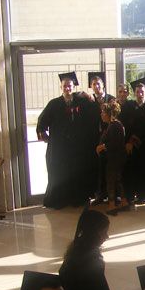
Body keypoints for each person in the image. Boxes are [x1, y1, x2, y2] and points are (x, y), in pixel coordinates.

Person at [36, 72, 94, 209]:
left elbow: (93, 115)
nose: (67, 88)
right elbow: (42, 121)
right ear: (61, 87)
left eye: (69, 86)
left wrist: (89, 97)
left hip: (77, 147)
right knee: (59, 173)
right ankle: (59, 200)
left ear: (73, 87)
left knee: (77, 172)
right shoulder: (54, 104)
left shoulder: (81, 102)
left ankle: (77, 199)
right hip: (59, 147)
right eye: (65, 86)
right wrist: (43, 134)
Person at [58, 209, 117, 290]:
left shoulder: (74, 251)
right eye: (104, 232)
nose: (106, 236)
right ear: (94, 233)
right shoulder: (91, 261)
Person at [124, 77, 145, 205]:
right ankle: (131, 195)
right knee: (133, 170)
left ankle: (144, 195)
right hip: (132, 145)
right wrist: (128, 141)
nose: (140, 94)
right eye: (137, 92)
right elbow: (125, 126)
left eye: (142, 91)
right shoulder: (128, 107)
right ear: (134, 93)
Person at [86, 71, 115, 205]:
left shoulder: (111, 99)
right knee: (97, 167)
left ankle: (112, 194)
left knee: (110, 167)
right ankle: (99, 195)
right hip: (94, 138)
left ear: (103, 85)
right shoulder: (89, 100)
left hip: (109, 138)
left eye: (98, 84)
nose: (96, 86)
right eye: (93, 84)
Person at [95, 100, 128, 215]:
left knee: (111, 181)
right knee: (117, 180)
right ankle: (124, 202)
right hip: (116, 158)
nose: (101, 114)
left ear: (109, 113)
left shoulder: (115, 125)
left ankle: (112, 205)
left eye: (103, 112)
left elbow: (115, 143)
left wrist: (102, 146)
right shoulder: (114, 124)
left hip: (115, 158)